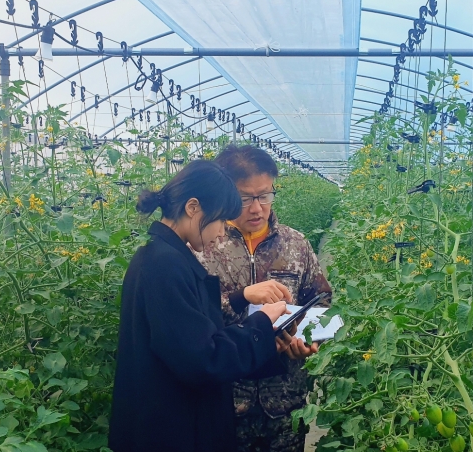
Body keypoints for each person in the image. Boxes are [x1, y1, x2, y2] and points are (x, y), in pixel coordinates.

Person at [108, 160, 293, 452]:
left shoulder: (163, 256)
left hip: (167, 422)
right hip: (173, 431)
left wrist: (247, 310)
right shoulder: (163, 265)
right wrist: (262, 324)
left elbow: (191, 334)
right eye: (220, 221)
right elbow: (203, 359)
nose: (222, 233)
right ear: (193, 207)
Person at [197, 145, 333, 452]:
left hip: (285, 402)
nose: (257, 208)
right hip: (226, 402)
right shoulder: (204, 247)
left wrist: (308, 339)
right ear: (225, 195)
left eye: (265, 195)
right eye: (245, 198)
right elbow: (193, 317)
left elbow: (321, 299)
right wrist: (239, 298)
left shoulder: (295, 244)